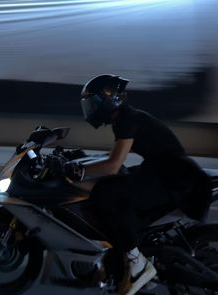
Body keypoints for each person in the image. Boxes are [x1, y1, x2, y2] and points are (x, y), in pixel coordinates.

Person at [62, 74, 212, 295]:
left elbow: (113, 165)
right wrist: (81, 160)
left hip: (176, 179)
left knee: (108, 196)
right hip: (165, 171)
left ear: (109, 100)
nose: (90, 109)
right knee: (115, 185)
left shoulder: (126, 120)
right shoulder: (124, 119)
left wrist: (79, 171)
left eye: (93, 103)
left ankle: (137, 262)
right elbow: (116, 157)